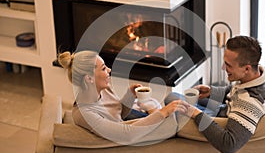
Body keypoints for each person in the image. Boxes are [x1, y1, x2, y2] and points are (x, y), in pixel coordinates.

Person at [167, 35, 265, 153]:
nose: (223, 68)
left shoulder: (250, 103)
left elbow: (229, 145)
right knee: (175, 97)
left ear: (247, 68)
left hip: (221, 119)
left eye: (228, 65)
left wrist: (196, 114)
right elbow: (237, 90)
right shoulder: (262, 74)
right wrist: (212, 91)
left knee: (172, 98)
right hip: (227, 108)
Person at [58, 50, 190, 145]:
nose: (109, 70)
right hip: (130, 142)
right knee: (183, 118)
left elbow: (119, 113)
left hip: (130, 128)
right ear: (89, 78)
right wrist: (163, 111)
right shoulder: (85, 113)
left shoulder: (102, 88)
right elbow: (127, 134)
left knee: (174, 99)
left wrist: (129, 96)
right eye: (103, 69)